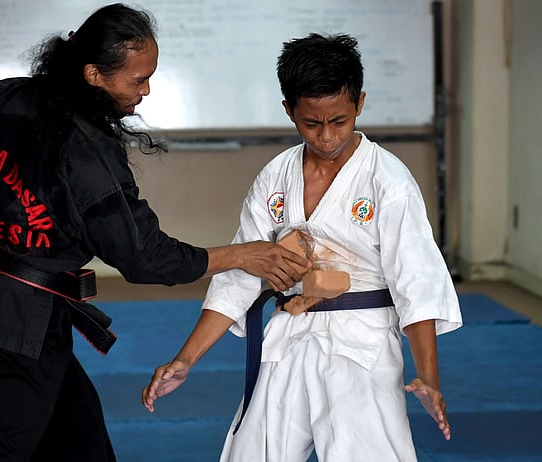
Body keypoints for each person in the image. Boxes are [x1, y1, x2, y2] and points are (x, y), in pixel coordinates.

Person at [0, 4, 310, 461]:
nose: (146, 91)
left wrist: (2, 203)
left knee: (77, 430)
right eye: (136, 80)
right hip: (18, 317)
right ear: (93, 74)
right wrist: (244, 255)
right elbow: (144, 257)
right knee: (0, 446)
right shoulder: (88, 153)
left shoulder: (2, 96)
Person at [142, 33, 463, 461]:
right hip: (287, 335)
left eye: (340, 121)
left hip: (361, 343)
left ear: (360, 104)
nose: (327, 136)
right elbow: (239, 278)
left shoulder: (387, 180)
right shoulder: (275, 177)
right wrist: (185, 359)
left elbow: (416, 283)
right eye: (312, 123)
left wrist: (429, 378)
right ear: (289, 110)